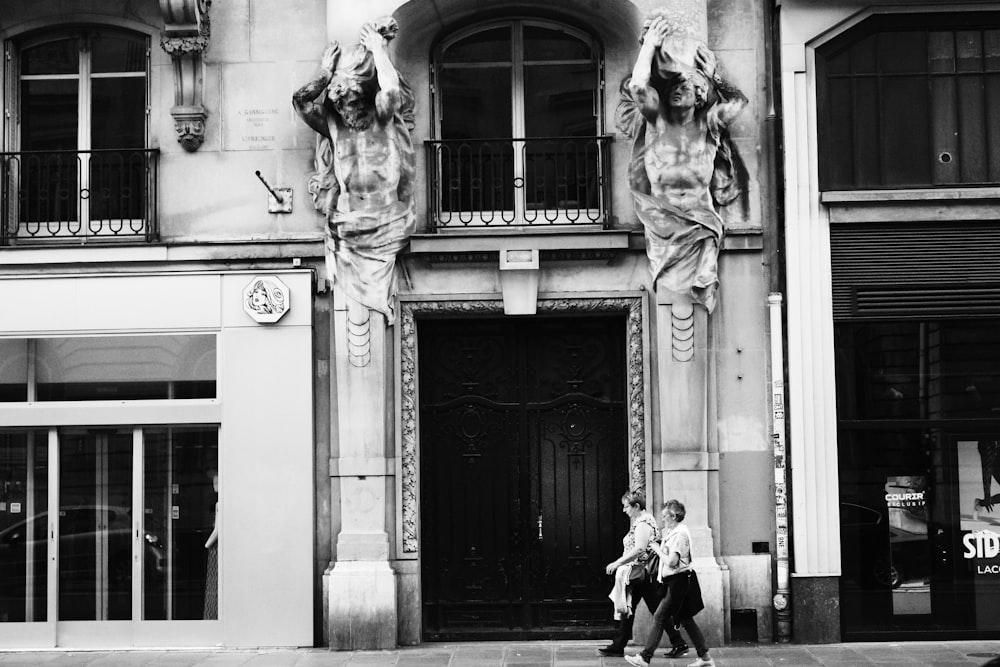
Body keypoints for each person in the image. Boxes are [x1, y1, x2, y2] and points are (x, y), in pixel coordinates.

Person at [617, 13, 747, 313]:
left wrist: (715, 76)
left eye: (685, 86)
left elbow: (738, 103)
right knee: (671, 301)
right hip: (661, 225)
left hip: (700, 225)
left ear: (699, 95)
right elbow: (638, 87)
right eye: (673, 87)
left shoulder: (709, 125)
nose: (676, 89)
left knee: (693, 306)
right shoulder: (656, 121)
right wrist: (650, 45)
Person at [292, 17, 416, 323]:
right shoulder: (333, 124)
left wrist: (379, 50)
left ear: (361, 95)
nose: (345, 109)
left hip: (386, 223)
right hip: (346, 227)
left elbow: (391, 93)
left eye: (349, 101)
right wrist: (325, 72)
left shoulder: (381, 118)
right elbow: (300, 100)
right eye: (340, 102)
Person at [599, 490, 689, 659]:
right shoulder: (643, 521)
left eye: (627, 507)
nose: (624, 510)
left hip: (640, 573)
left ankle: (620, 645)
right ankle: (677, 642)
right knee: (646, 608)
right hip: (642, 574)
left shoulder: (643, 523)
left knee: (634, 607)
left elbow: (639, 548)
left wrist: (618, 562)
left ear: (636, 506)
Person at [625, 500, 714, 667]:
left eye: (665, 515)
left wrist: (658, 550)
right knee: (686, 619)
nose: (662, 518)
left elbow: (672, 561)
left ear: (673, 516)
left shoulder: (680, 534)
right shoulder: (673, 532)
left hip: (678, 581)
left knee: (659, 617)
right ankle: (705, 657)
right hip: (675, 581)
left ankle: (645, 657)